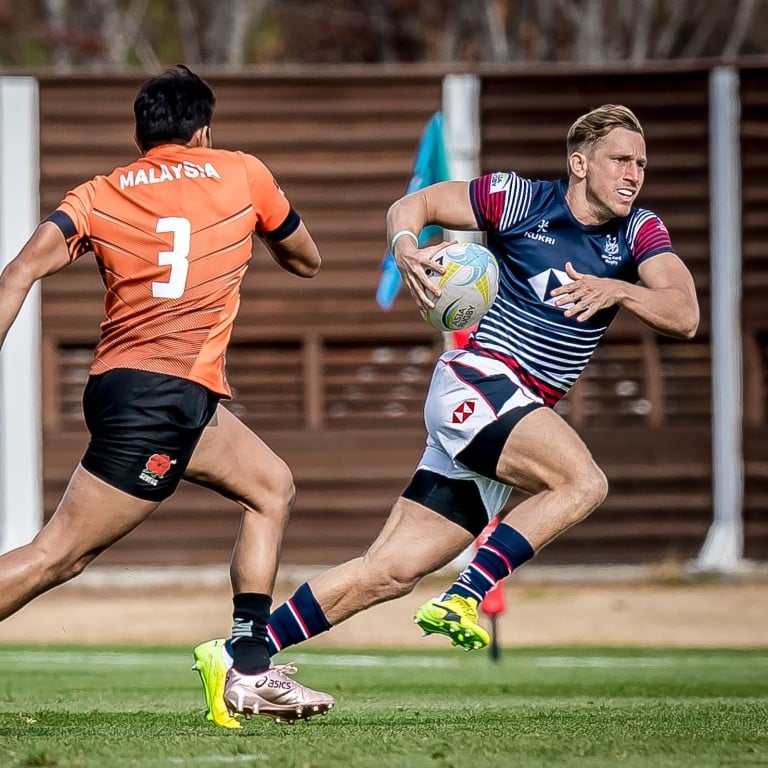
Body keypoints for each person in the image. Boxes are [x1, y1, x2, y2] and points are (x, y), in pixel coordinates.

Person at [193, 103, 699, 727]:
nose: (634, 173)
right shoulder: (521, 199)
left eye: (642, 163)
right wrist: (405, 248)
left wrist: (620, 289)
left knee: (388, 573)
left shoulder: (639, 233)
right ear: (580, 163)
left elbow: (684, 314)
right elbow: (416, 206)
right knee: (582, 482)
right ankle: (466, 594)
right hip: (480, 382)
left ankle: (242, 656)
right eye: (621, 159)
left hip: (514, 412)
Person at [0, 65, 334, 725]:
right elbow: (307, 259)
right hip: (162, 398)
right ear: (203, 130)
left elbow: (19, 271)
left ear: (140, 133)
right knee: (57, 556)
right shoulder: (243, 173)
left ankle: (247, 666)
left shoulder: (99, 193)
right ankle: (246, 668)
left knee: (271, 487)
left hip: (144, 390)